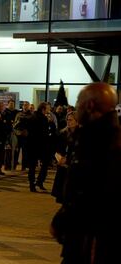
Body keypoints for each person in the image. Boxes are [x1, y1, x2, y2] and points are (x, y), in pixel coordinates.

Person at [51, 82, 121, 263]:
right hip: (81, 236)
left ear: (90, 105)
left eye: (78, 101)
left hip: (93, 241)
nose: (76, 107)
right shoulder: (91, 135)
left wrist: (63, 219)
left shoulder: (105, 141)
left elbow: (91, 191)